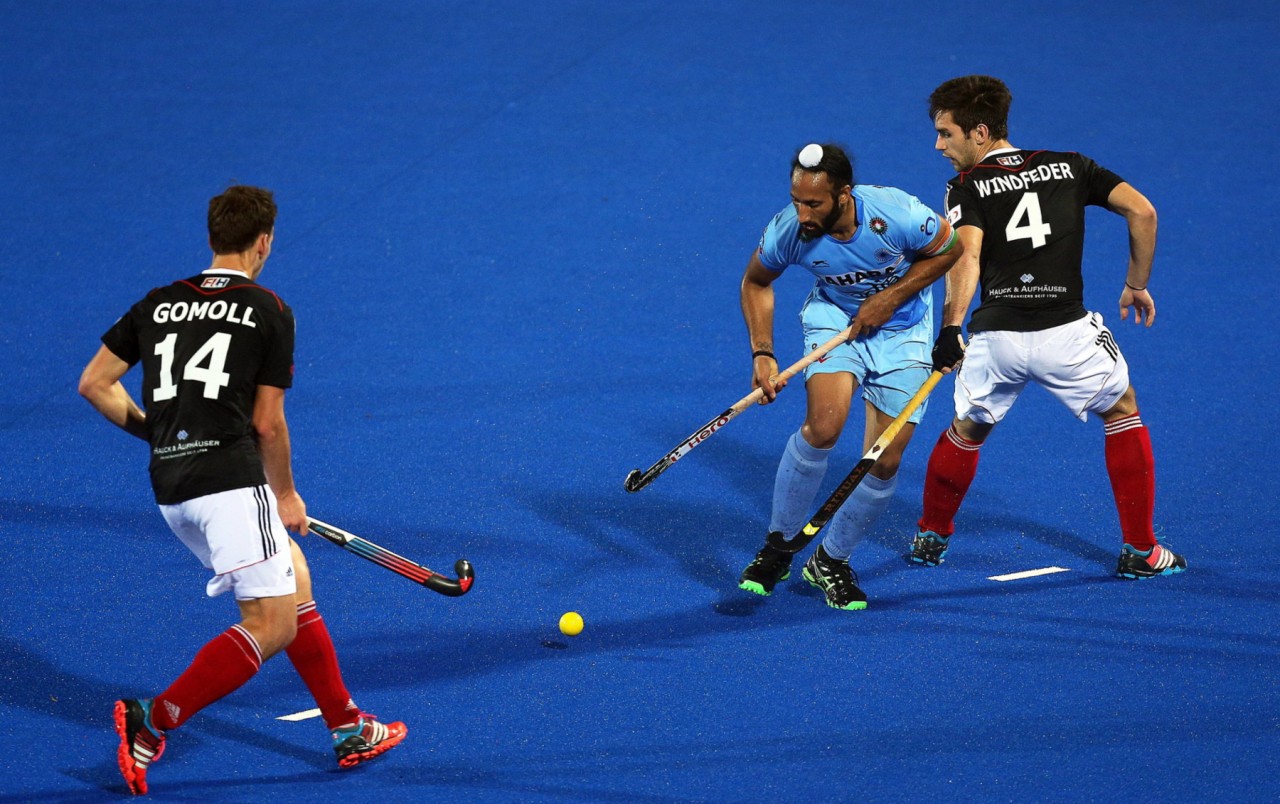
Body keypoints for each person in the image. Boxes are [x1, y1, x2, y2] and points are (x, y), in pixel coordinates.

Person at [78, 186, 405, 796]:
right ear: (263, 242)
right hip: (232, 485)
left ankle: (348, 726)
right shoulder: (268, 307)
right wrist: (286, 495)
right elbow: (267, 424)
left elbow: (95, 384)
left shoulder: (157, 302)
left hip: (173, 488)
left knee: (294, 579)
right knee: (271, 622)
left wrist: (162, 435)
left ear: (212, 238)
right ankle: (155, 720)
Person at [910, 75, 1185, 579]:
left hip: (997, 339)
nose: (938, 145)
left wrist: (950, 329)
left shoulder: (965, 187)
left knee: (967, 429)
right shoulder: (1072, 166)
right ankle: (1142, 552)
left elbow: (965, 255)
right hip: (1068, 336)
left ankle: (931, 534)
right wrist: (1135, 283)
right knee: (1122, 410)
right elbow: (1143, 211)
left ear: (980, 132)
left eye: (946, 133)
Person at [737, 143, 962, 610]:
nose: (802, 212)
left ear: (843, 194)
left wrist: (892, 298)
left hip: (905, 333)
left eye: (813, 203)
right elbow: (755, 281)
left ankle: (831, 560)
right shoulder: (790, 231)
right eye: (797, 200)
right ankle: (778, 546)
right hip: (835, 321)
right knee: (824, 426)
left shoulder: (895, 212)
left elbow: (949, 249)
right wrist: (763, 352)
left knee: (884, 460)